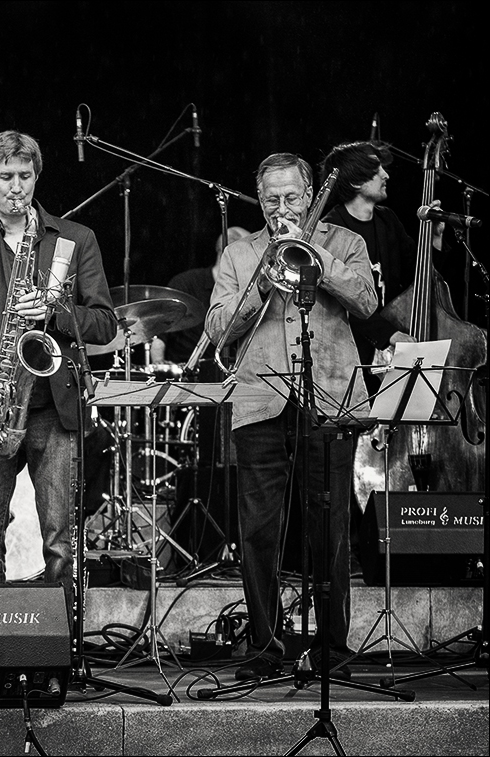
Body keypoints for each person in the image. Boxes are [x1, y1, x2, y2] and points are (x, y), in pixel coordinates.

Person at [205, 153, 378, 681]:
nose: (283, 208)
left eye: (292, 197)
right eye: (272, 199)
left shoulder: (344, 243)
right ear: (260, 202)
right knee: (258, 532)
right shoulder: (240, 253)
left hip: (329, 396)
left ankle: (331, 646)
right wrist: (262, 281)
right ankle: (265, 646)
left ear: (309, 197)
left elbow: (367, 302)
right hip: (260, 401)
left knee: (330, 529)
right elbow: (217, 326)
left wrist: (315, 258)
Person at [0, 130, 117, 601]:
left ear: (37, 177)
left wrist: (54, 313)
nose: (17, 187)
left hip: (55, 409)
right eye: (6, 177)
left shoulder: (75, 239)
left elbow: (105, 323)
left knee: (59, 543)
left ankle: (55, 660)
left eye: (26, 176)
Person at [318, 140, 445, 395]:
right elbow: (342, 303)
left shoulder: (387, 220)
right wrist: (389, 335)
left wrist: (433, 241)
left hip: (390, 346)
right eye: (377, 170)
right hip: (350, 352)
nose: (386, 175)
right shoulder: (329, 231)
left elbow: (418, 276)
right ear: (355, 181)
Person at [150, 226, 250, 369]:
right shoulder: (186, 283)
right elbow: (160, 334)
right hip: (185, 375)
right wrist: (159, 367)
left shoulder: (247, 292)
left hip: (229, 373)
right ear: (228, 252)